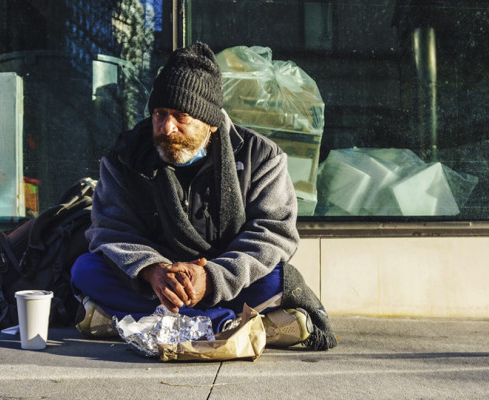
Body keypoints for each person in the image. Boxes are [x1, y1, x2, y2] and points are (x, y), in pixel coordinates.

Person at [69, 42, 336, 350]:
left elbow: (273, 233)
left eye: (181, 116)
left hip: (225, 280)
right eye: (159, 114)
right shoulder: (126, 156)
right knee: (86, 270)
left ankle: (133, 321)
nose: (167, 128)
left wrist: (211, 278)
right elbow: (109, 228)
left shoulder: (261, 156)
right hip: (154, 285)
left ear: (210, 122)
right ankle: (225, 323)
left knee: (278, 279)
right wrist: (152, 270)